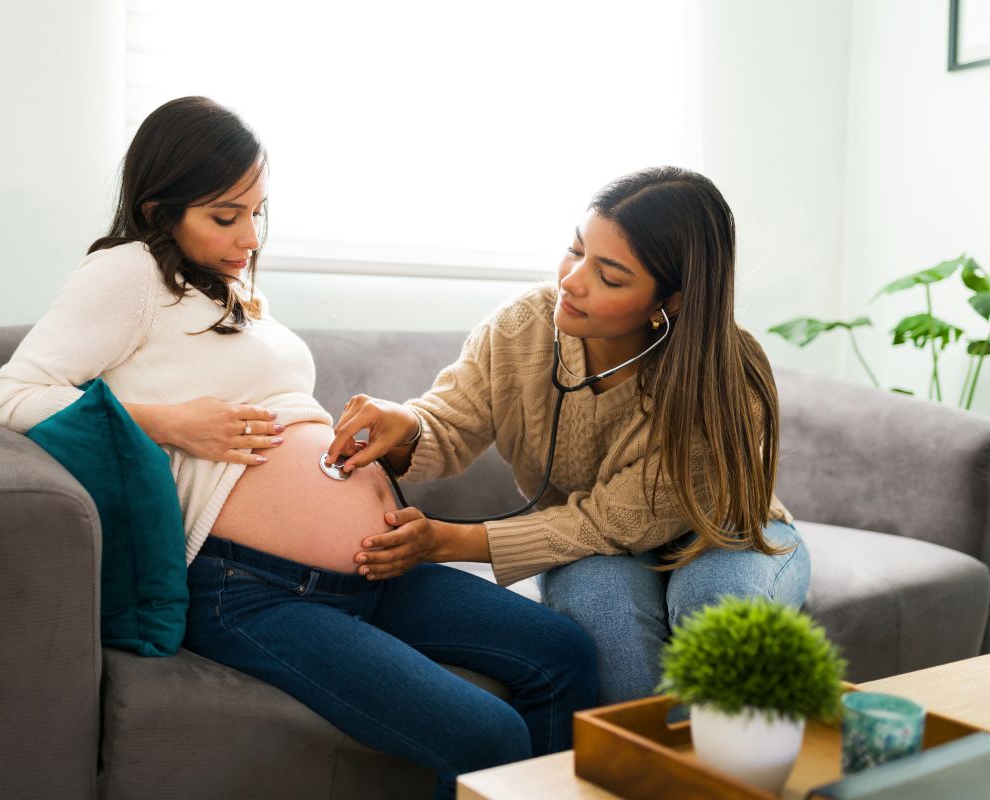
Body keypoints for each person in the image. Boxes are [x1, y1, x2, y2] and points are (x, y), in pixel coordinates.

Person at [0, 96, 597, 799]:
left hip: (375, 570)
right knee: (488, 735)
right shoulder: (128, 273)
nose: (249, 235)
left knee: (565, 653)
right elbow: (13, 397)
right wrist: (170, 423)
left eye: (258, 211)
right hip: (251, 591)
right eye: (225, 216)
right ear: (159, 213)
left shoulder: (228, 289)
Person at [325, 166, 810, 707]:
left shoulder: (727, 378)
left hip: (721, 530)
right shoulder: (522, 327)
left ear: (670, 301)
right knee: (614, 646)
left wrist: (445, 542)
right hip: (591, 548)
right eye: (575, 250)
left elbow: (611, 520)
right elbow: (449, 422)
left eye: (610, 275)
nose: (572, 281)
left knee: (716, 614)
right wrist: (407, 425)